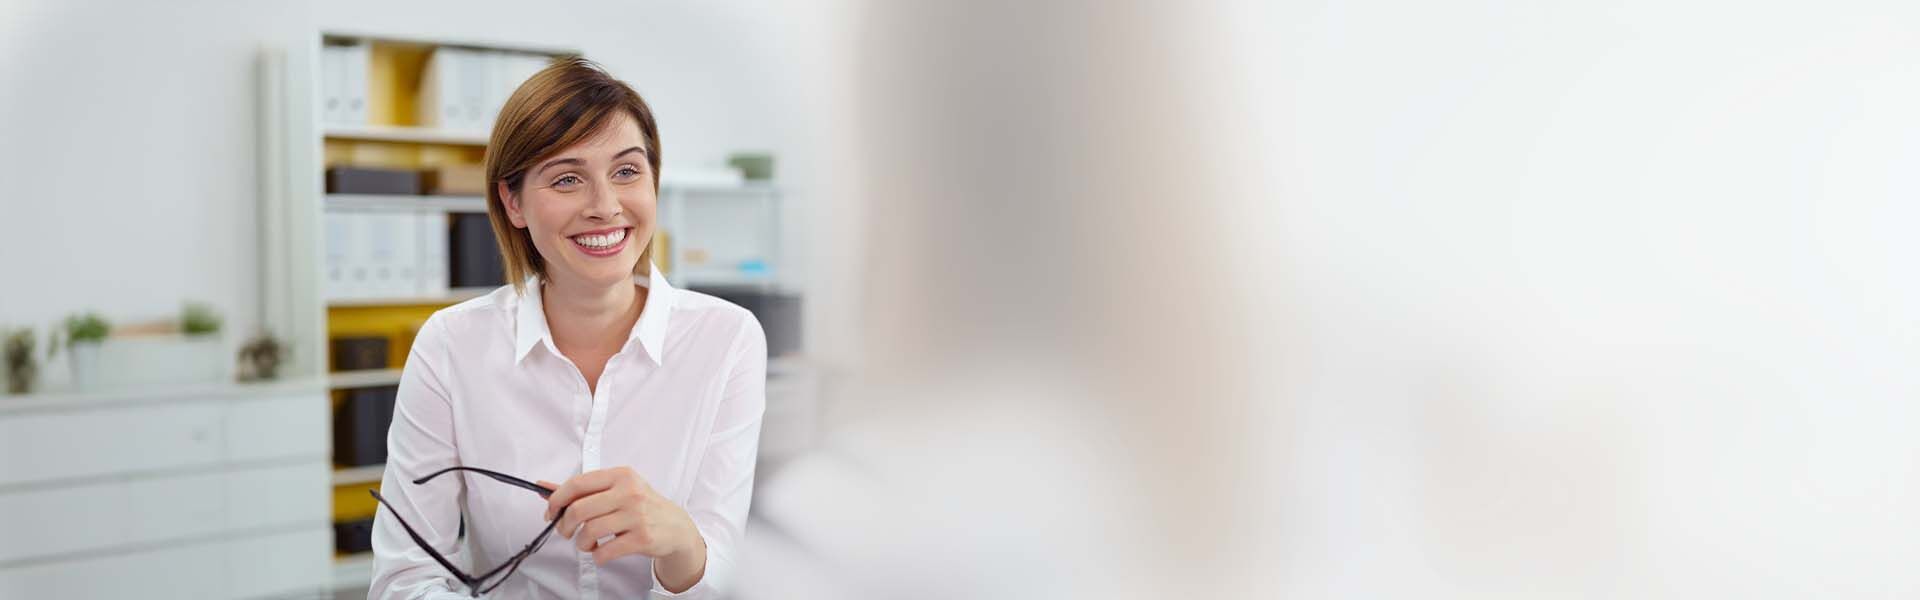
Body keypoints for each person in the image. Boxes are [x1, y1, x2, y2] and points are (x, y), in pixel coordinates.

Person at [368, 57, 766, 599]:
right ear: (513, 202)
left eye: (627, 171)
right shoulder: (451, 345)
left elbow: (720, 575)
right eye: (567, 179)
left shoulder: (727, 339)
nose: (605, 206)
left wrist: (680, 546)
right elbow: (405, 580)